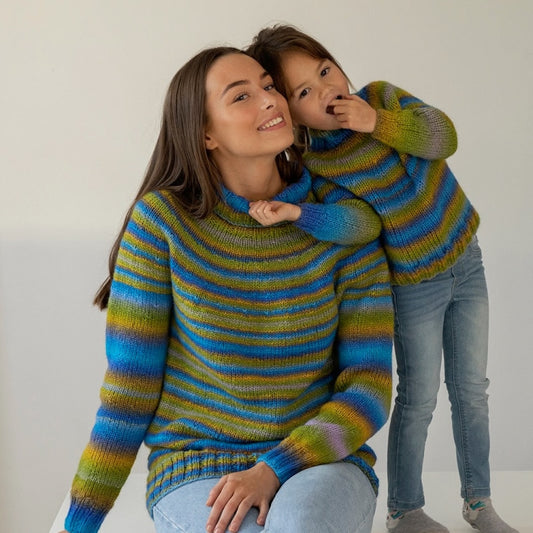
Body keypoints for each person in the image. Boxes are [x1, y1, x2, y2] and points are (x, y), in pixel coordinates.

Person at [58, 46, 394, 533]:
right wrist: (79, 524)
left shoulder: (342, 223)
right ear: (205, 133)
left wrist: (274, 467)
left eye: (269, 86)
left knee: (300, 526)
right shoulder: (162, 225)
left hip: (318, 462)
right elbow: (130, 390)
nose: (270, 100)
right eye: (241, 96)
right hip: (196, 466)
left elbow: (369, 387)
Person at [246, 24, 519, 533]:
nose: (325, 90)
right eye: (304, 91)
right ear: (291, 112)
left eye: (325, 71)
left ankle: (478, 501)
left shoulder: (382, 99)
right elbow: (361, 225)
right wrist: (300, 214)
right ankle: (404, 509)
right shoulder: (319, 164)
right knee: (418, 397)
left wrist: (379, 123)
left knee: (472, 390)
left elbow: (444, 137)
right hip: (415, 287)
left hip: (467, 260)